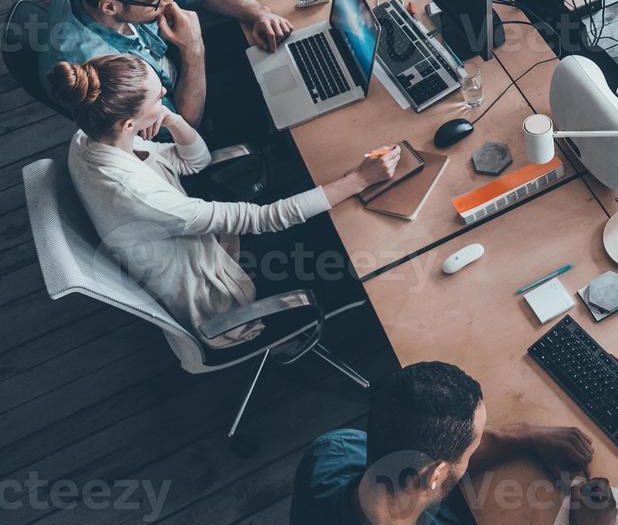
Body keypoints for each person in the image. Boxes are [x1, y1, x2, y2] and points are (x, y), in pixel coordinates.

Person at [51, 54, 401, 347]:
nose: (164, 94)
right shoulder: (136, 193)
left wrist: (169, 117)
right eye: (158, 99)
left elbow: (195, 161)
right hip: (218, 289)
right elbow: (265, 219)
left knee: (310, 186)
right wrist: (358, 179)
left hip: (194, 245)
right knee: (345, 232)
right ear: (129, 124)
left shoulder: (92, 134)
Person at [292, 360, 613, 525]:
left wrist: (526, 434)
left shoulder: (334, 448)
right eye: (470, 451)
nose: (473, 453)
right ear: (434, 475)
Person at [36, 0, 295, 128]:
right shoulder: (104, 73)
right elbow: (183, 125)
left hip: (169, 63)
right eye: (155, 0)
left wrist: (258, 12)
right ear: (110, 7)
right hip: (175, 112)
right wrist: (193, 49)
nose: (169, 0)